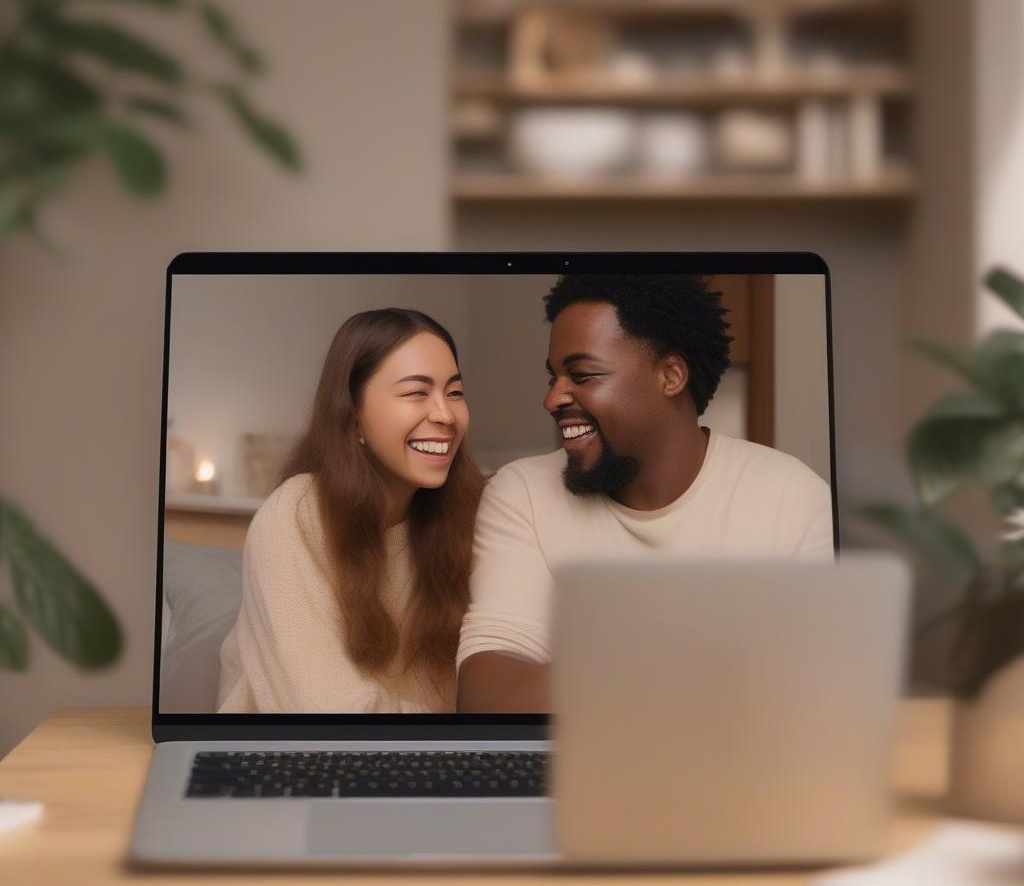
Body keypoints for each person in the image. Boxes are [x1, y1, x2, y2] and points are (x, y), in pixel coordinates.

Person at [456, 274, 834, 713]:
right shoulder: (522, 493)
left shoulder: (790, 497)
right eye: (554, 376)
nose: (553, 398)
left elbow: (813, 698)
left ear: (670, 375)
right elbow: (485, 694)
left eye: (582, 375)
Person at [217, 308, 484, 713]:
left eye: (454, 392)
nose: (445, 415)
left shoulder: (470, 515)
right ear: (354, 414)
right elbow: (321, 712)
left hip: (420, 761)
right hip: (288, 761)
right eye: (416, 392)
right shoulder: (294, 514)